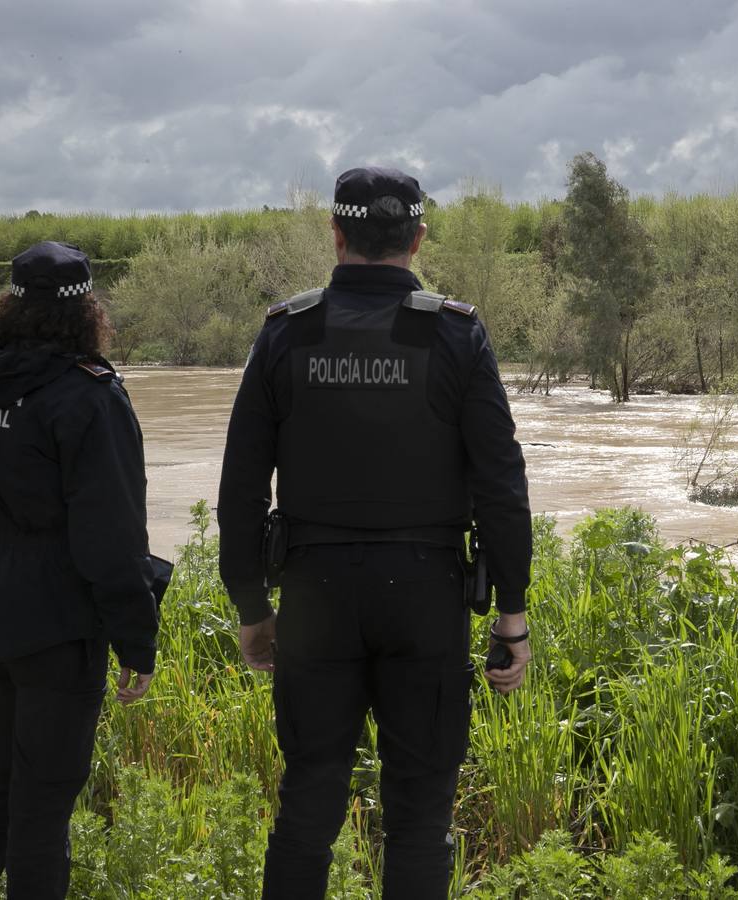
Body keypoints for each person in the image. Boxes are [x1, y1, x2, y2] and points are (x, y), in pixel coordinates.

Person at [217, 166, 533, 898]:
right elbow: (500, 483)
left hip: (315, 594)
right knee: (421, 814)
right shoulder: (454, 334)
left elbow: (239, 488)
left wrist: (251, 611)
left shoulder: (287, 333)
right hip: (426, 595)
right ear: (418, 239)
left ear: (336, 235)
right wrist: (510, 617)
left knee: (308, 802)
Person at [0, 241, 162, 900]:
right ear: (87, 310)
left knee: (2, 781)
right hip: (56, 632)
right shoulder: (88, 395)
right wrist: (135, 637)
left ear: (8, 307)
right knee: (41, 807)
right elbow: (112, 536)